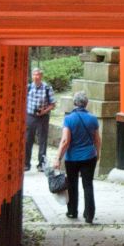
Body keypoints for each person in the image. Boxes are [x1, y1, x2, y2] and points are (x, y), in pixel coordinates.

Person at [54, 90, 101, 223]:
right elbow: (97, 139)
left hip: (72, 158)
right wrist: (98, 153)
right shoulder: (93, 118)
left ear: (74, 103)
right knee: (88, 185)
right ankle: (89, 214)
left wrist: (57, 158)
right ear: (86, 104)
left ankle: (72, 212)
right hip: (89, 156)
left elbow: (65, 141)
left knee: (72, 185)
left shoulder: (69, 119)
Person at [23, 66, 56, 172]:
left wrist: (44, 111)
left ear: (41, 76)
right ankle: (26, 164)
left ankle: (41, 164)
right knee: (28, 139)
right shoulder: (28, 87)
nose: (36, 77)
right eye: (34, 74)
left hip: (43, 117)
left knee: (42, 140)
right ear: (32, 76)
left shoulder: (47, 88)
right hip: (30, 116)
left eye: (38, 75)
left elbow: (53, 104)